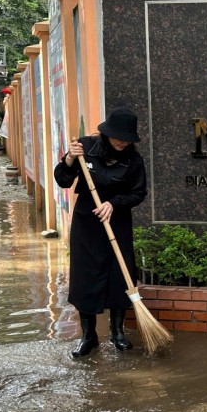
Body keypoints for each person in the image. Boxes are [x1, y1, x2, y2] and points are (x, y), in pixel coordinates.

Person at [54, 107, 147, 359]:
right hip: (88, 222)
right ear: (107, 133)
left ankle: (117, 332)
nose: (123, 141)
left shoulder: (134, 160)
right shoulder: (85, 147)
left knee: (120, 274)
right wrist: (70, 160)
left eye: (127, 138)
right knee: (87, 275)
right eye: (119, 136)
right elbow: (63, 179)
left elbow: (138, 193)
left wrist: (114, 203)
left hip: (116, 220)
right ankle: (89, 336)